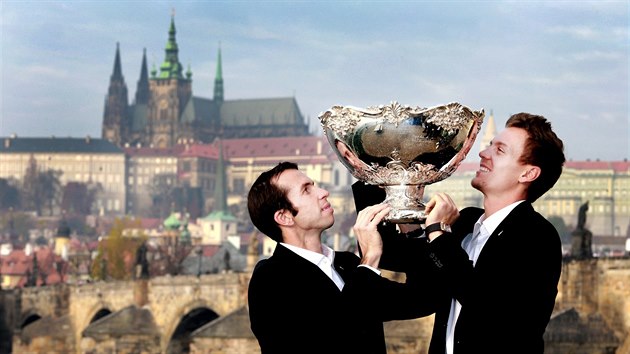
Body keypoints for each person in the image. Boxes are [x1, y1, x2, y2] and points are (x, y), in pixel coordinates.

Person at [354, 112, 565, 354]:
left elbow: (486, 306)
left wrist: (437, 232)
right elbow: (399, 259)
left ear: (527, 174)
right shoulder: (466, 222)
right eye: (489, 146)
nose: (483, 154)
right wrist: (372, 174)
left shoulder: (537, 236)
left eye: (500, 151)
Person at [247, 161, 460, 354]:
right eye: (306, 190)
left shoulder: (346, 264)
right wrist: (368, 260)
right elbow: (337, 335)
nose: (323, 192)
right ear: (284, 216)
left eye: (315, 185)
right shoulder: (270, 277)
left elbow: (423, 299)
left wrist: (411, 227)